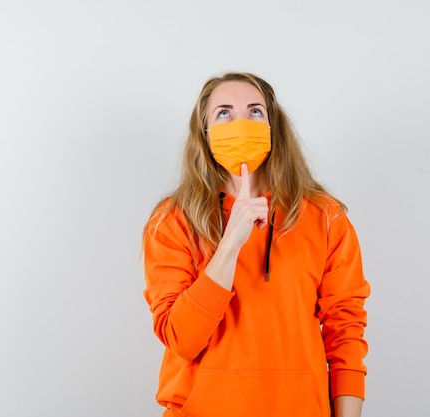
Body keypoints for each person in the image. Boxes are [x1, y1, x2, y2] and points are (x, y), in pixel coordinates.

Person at [142, 72, 370, 417]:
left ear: (272, 126)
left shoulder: (325, 217)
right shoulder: (172, 221)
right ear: (203, 133)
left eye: (254, 111)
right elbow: (182, 340)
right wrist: (230, 242)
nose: (240, 123)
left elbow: (345, 333)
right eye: (224, 113)